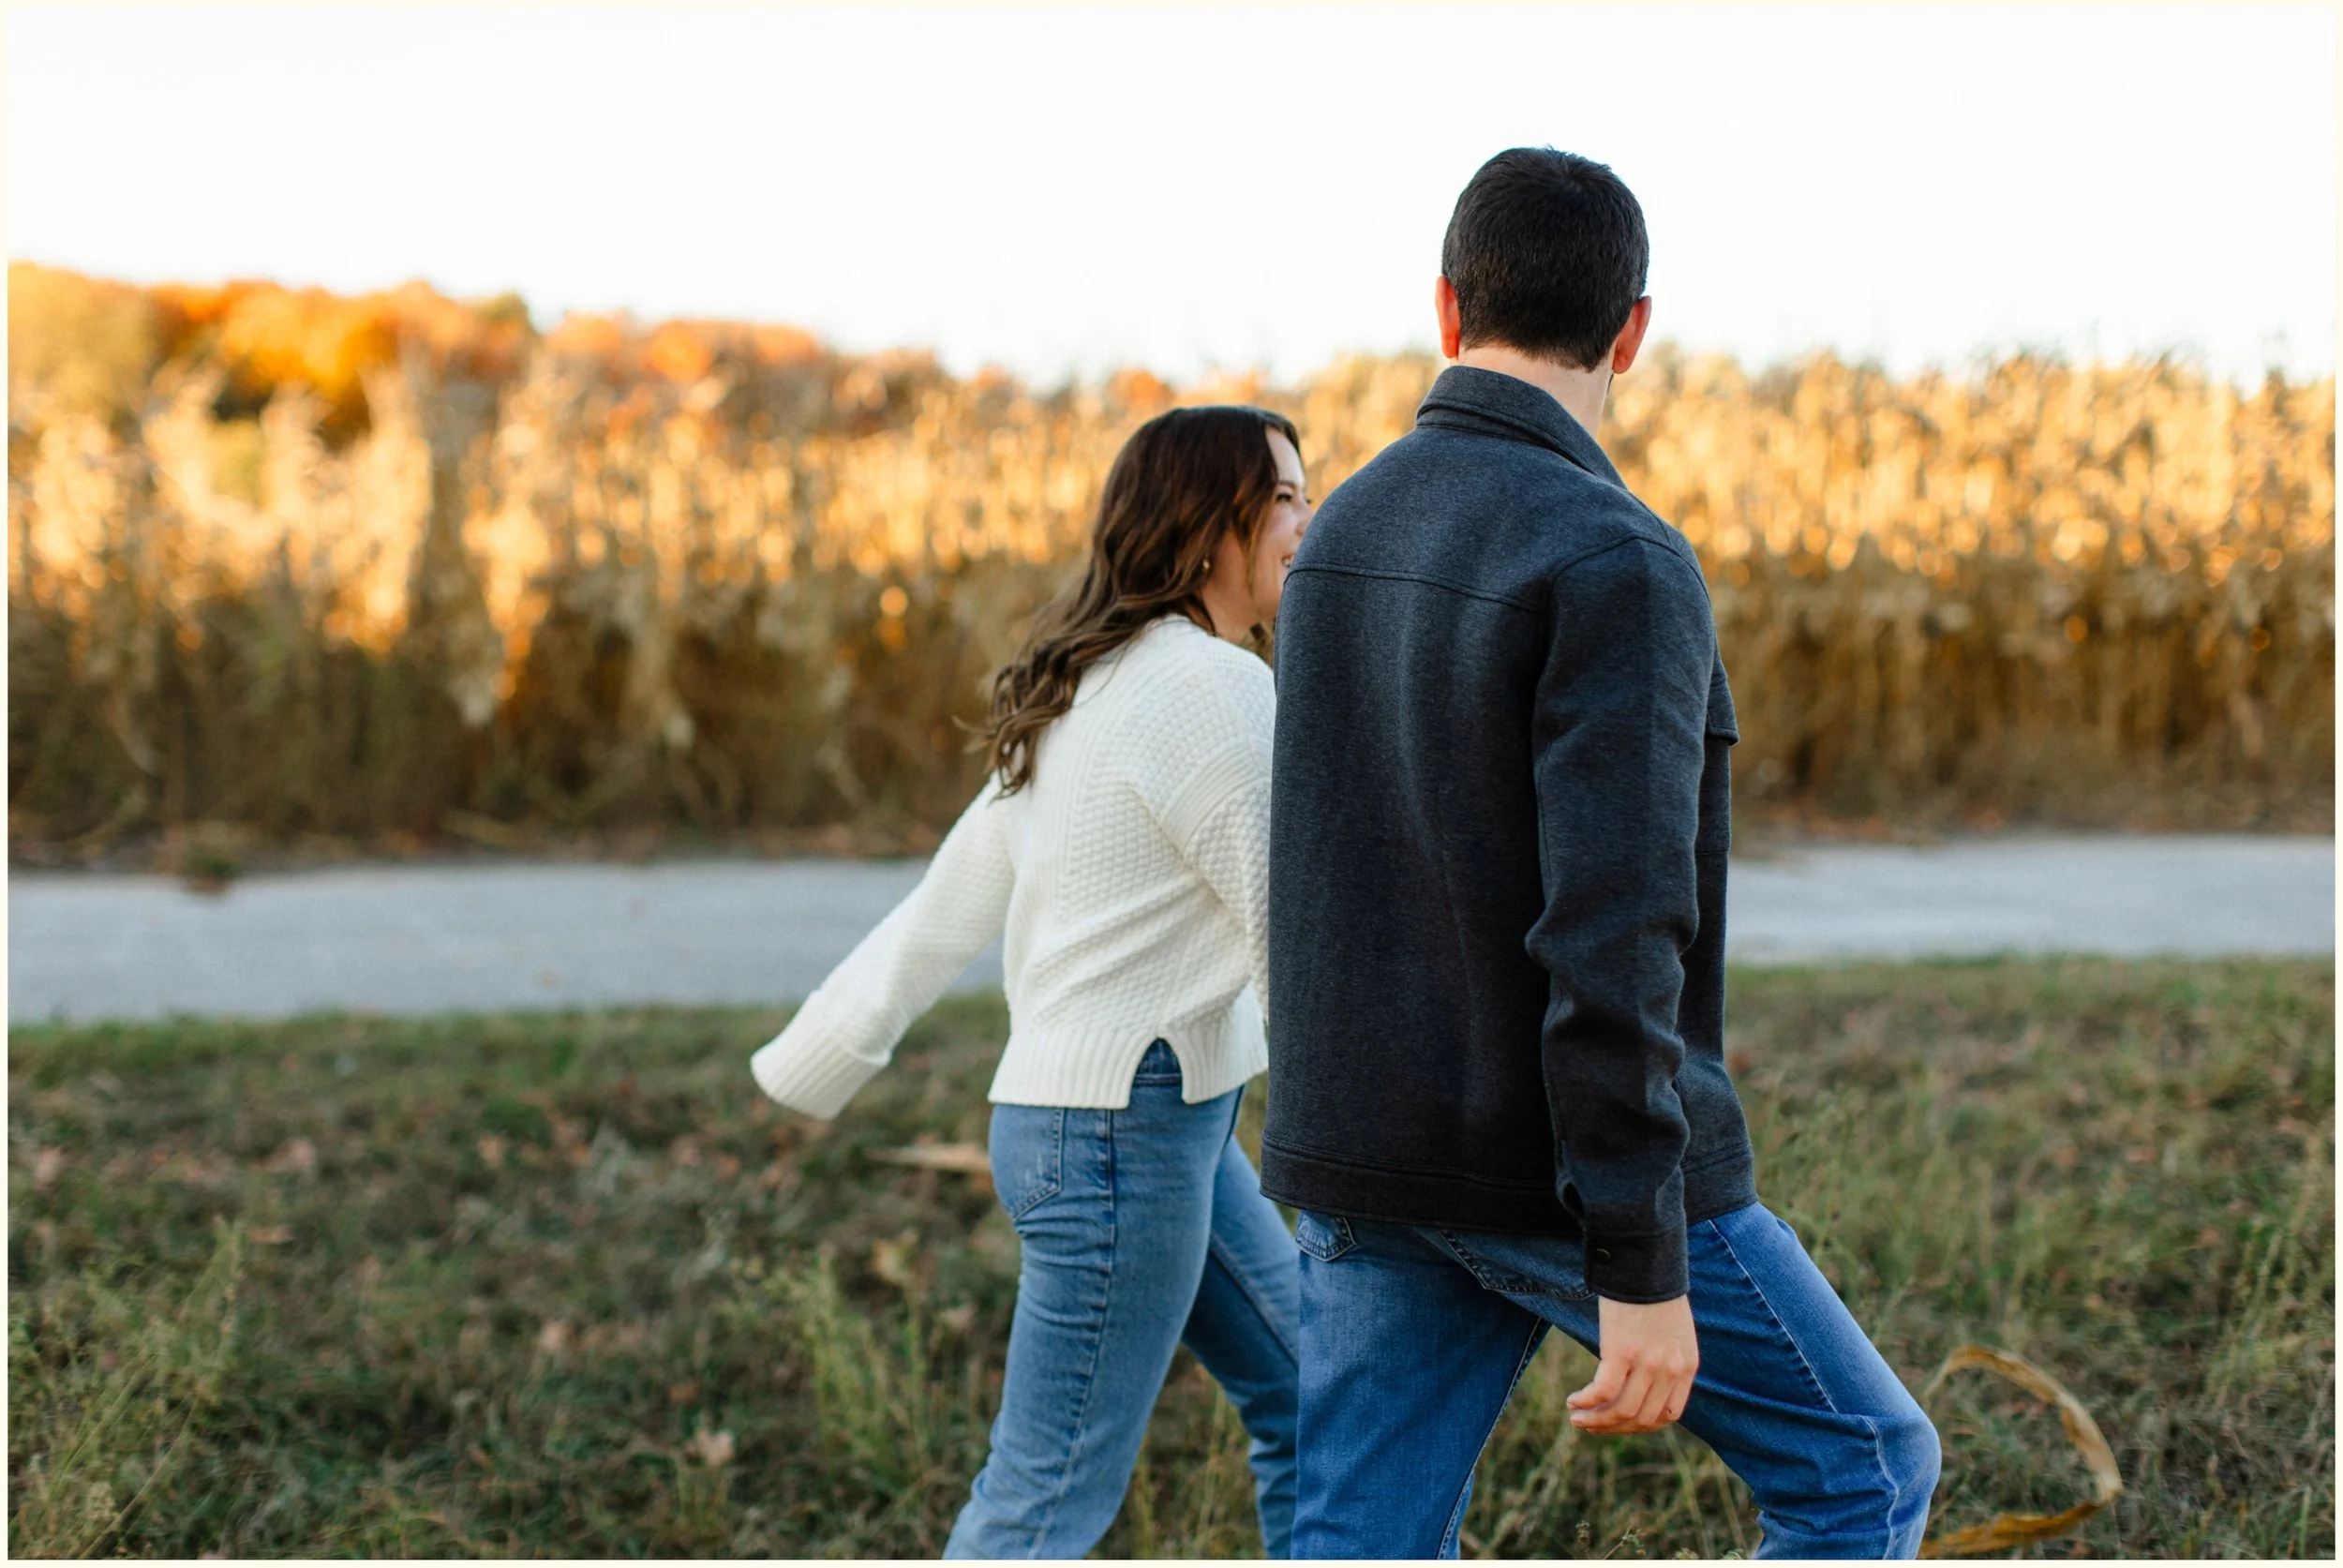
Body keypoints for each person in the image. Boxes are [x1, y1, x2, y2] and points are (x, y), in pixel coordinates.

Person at [1261, 147, 1941, 1559]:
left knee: (1354, 1541)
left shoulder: (1340, 534)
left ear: (1448, 310)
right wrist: (1641, 1254)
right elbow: (1615, 933)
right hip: (1546, 1166)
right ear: (1633, 329)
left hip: (1365, 1147)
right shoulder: (1615, 556)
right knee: (1865, 1467)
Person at [749, 404, 1312, 1560]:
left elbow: (950, 892)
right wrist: (1365, 1162)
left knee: (1312, 1388)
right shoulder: (1215, 690)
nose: (1311, 521)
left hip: (1131, 1127)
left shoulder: (1092, 682)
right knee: (1044, 1499)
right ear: (1216, 526)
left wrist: (818, 1054)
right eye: (1291, 496)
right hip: (1122, 1139)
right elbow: (1294, 942)